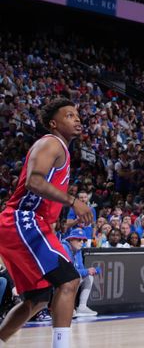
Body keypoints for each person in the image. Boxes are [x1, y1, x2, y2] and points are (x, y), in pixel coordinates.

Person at [0, 98, 94, 348]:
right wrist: (73, 201)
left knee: (38, 299)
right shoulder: (51, 143)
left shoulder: (61, 149)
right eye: (70, 116)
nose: (77, 120)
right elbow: (34, 182)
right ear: (54, 123)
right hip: (22, 220)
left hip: (24, 224)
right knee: (69, 280)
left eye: (78, 115)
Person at [60, 229, 98, 317]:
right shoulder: (64, 247)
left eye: (83, 240)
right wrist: (87, 271)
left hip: (69, 278)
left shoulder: (78, 250)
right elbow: (68, 270)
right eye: (78, 239)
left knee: (89, 277)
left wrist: (88, 271)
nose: (81, 242)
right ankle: (68, 308)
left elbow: (80, 268)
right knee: (75, 277)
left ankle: (82, 307)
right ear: (70, 239)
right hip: (60, 279)